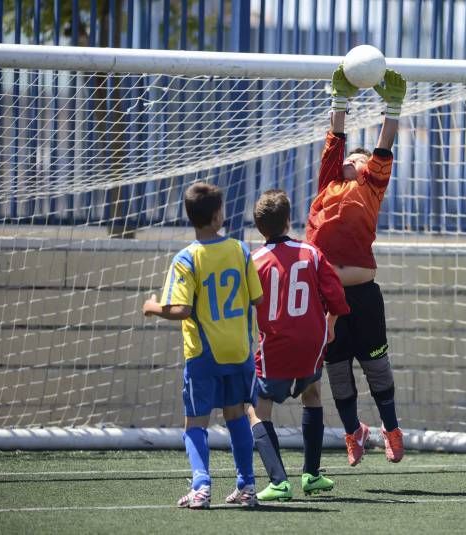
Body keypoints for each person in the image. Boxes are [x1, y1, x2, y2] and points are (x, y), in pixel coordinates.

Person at [305, 65, 407, 466]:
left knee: (375, 363)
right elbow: (335, 140)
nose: (355, 159)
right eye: (351, 156)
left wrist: (393, 108)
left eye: (362, 158)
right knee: (338, 368)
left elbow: (383, 146)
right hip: (326, 295)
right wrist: (339, 102)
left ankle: (391, 429)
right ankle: (353, 433)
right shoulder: (328, 183)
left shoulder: (371, 187)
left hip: (363, 295)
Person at [142, 182, 263, 509]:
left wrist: (152, 307)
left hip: (204, 355)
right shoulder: (240, 250)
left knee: (195, 423)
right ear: (217, 215)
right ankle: (247, 485)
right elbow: (257, 297)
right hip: (238, 351)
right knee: (237, 416)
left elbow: (181, 309)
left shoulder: (186, 258)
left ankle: (201, 486)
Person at [245, 189, 350, 502]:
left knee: (257, 409)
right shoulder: (312, 253)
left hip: (275, 344)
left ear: (259, 226)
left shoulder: (254, 261)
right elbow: (338, 299)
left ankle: (278, 481)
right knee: (312, 393)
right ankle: (312, 474)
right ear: (289, 220)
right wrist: (329, 325)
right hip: (311, 342)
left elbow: (244, 303)